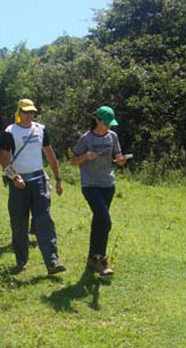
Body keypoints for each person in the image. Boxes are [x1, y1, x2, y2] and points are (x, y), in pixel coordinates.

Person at [0, 98, 66, 274]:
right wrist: (14, 178)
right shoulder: (9, 132)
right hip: (19, 183)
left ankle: (52, 261)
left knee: (45, 220)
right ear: (18, 112)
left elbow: (50, 154)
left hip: (39, 180)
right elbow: (4, 158)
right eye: (25, 112)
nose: (29, 115)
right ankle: (22, 260)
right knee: (19, 223)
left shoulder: (41, 130)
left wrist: (57, 178)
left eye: (31, 112)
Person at [70, 106, 128, 276]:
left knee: (99, 222)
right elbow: (73, 161)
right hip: (90, 185)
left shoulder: (113, 137)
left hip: (108, 185)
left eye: (111, 123)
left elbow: (118, 158)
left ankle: (92, 259)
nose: (108, 126)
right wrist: (85, 157)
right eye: (106, 123)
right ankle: (102, 261)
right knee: (105, 221)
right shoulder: (85, 139)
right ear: (97, 120)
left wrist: (121, 160)